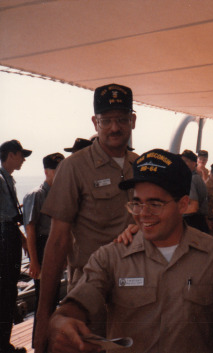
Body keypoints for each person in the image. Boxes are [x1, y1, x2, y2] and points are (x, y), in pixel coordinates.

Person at [47, 149, 213, 353]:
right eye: (137, 203)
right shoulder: (111, 257)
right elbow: (78, 303)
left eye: (155, 204)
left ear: (183, 204)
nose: (143, 214)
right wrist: (61, 322)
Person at [34, 83, 139, 352]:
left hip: (137, 287)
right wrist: (44, 319)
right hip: (90, 292)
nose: (115, 128)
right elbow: (57, 242)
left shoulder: (141, 165)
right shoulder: (74, 167)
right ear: (95, 122)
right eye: (106, 120)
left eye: (122, 119)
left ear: (133, 120)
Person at [22, 152, 64, 348]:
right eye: (57, 171)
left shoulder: (60, 194)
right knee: (42, 301)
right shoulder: (36, 195)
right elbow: (30, 229)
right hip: (41, 246)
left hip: (54, 247)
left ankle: (49, 342)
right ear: (47, 172)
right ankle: (39, 345)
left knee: (53, 297)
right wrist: (34, 261)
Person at [0, 140, 31, 353]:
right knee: (5, 292)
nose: (24, 159)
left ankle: (4, 344)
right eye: (21, 155)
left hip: (9, 237)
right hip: (4, 241)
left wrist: (21, 239)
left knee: (9, 291)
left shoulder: (7, 180)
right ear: (11, 155)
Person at [181, 149, 209, 233]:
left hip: (193, 222)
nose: (182, 164)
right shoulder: (195, 177)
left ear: (194, 163)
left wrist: (175, 212)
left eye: (185, 161)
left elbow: (193, 207)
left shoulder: (192, 179)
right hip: (199, 222)